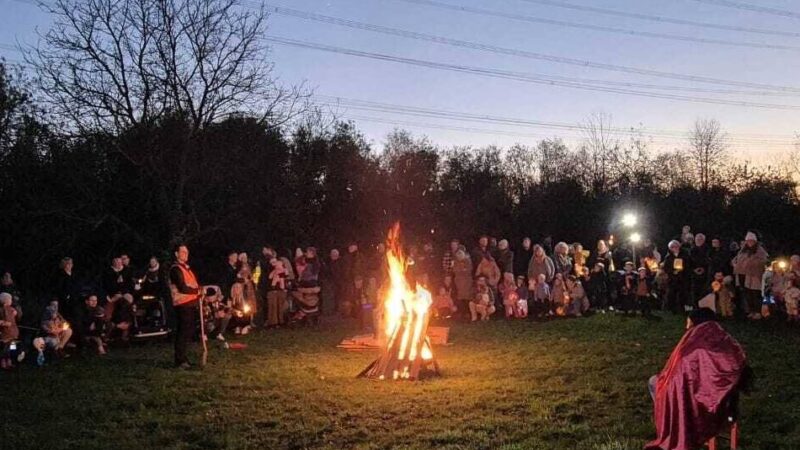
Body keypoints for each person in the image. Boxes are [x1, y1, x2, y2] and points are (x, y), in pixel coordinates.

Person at [646, 308, 749, 450]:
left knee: (654, 383)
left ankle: (677, 425)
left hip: (702, 409)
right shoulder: (727, 340)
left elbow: (678, 382)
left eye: (688, 323)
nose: (686, 327)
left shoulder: (693, 348)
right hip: (727, 405)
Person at [169, 244, 202, 369]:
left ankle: (183, 359)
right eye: (182, 252)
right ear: (176, 254)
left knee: (188, 332)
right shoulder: (175, 269)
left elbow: (192, 285)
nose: (185, 254)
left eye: (186, 252)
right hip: (182, 304)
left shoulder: (187, 269)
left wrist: (198, 292)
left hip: (190, 303)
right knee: (182, 332)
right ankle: (180, 360)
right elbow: (182, 287)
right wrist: (197, 292)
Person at [731, 232, 768, 320]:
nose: (749, 242)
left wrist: (749, 264)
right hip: (743, 274)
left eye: (751, 241)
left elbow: (762, 261)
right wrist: (736, 264)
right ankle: (751, 311)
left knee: (755, 293)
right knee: (747, 293)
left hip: (754, 275)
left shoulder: (760, 250)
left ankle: (758, 311)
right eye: (748, 241)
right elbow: (736, 259)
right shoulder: (743, 250)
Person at [664, 240, 691, 313]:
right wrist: (673, 271)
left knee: (683, 294)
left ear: (679, 246)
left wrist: (682, 269)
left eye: (676, 246)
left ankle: (684, 309)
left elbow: (688, 264)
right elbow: (666, 268)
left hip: (683, 277)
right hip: (673, 279)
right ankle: (672, 309)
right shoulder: (668, 257)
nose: (674, 248)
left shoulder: (685, 254)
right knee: (671, 294)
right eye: (672, 247)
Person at [689, 233, 711, 305]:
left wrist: (703, 268)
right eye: (697, 239)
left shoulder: (708, 250)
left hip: (705, 274)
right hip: (694, 273)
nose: (698, 241)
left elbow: (708, 260)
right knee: (694, 291)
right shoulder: (691, 250)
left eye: (700, 239)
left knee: (704, 290)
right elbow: (689, 261)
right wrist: (694, 269)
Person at [0, 292, 20, 369]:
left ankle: (10, 361)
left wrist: (15, 313)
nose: (11, 301)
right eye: (10, 299)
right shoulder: (1, 310)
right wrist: (3, 323)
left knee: (12, 348)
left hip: (13, 333)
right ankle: (3, 363)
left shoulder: (11, 309)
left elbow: (16, 318)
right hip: (5, 334)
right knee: (5, 349)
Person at [452, 249, 473, 318]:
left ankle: (467, 312)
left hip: (467, 281)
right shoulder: (455, 262)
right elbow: (455, 270)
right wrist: (462, 270)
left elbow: (468, 270)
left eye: (461, 253)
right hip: (459, 282)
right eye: (458, 254)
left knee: (467, 296)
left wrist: (462, 270)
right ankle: (461, 312)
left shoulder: (468, 261)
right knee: (460, 297)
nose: (459, 255)